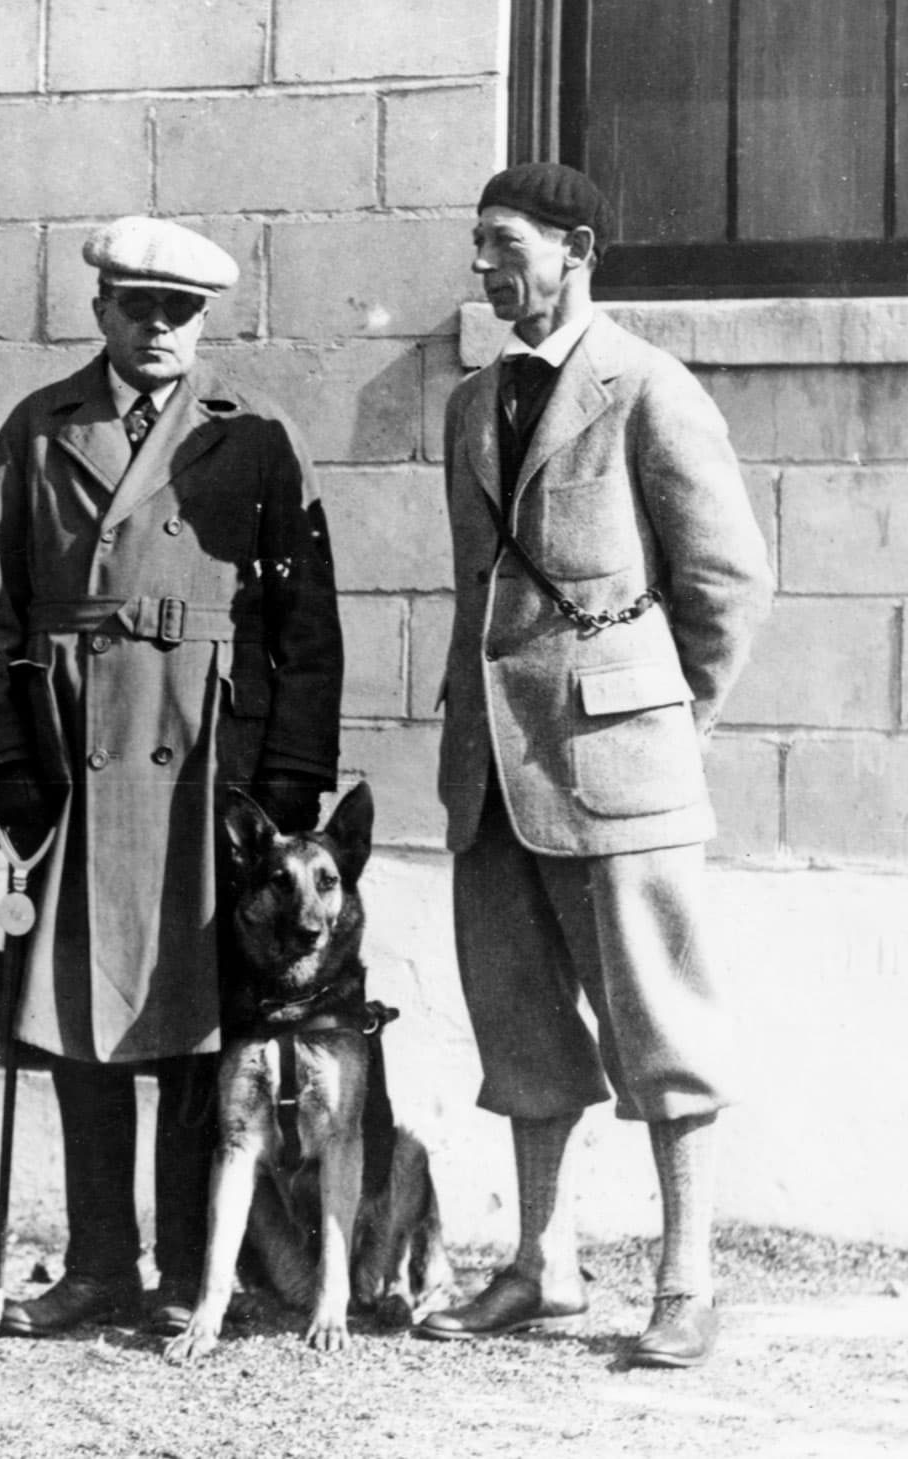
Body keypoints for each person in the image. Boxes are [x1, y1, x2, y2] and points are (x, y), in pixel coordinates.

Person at [414, 164, 772, 1368]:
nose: (480, 266)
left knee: (660, 1025)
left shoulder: (648, 390)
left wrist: (663, 720)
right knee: (519, 1028)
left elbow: (723, 582)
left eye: (502, 243)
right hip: (493, 774)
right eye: (474, 244)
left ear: (573, 248)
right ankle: (541, 1263)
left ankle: (684, 1278)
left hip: (620, 765)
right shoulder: (470, 403)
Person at [0, 216, 344, 1337]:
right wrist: (7, 768)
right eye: (140, 308)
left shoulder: (257, 438)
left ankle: (186, 1261)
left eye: (181, 313)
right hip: (73, 748)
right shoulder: (37, 431)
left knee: (191, 1019)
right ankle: (94, 1261)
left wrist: (289, 774)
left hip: (204, 765)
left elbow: (301, 624)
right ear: (102, 313)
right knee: (77, 1012)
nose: (161, 330)